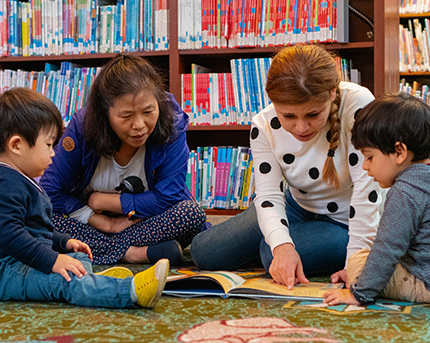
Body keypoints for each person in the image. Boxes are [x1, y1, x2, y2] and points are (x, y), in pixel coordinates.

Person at [191, 44, 385, 289]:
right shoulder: (263, 124)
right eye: (289, 116)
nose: (301, 128)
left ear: (332, 93)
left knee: (269, 252)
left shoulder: (359, 103)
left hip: (346, 219)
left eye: (313, 115)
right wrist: (282, 243)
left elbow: (367, 192)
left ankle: (290, 242)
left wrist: (356, 261)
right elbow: (269, 195)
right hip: (299, 205)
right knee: (205, 252)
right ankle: (289, 237)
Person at [0, 87, 170, 309]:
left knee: (77, 256)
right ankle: (129, 292)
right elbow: (9, 234)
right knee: (68, 280)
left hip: (27, 261)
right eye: (49, 144)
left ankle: (94, 282)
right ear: (17, 145)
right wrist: (53, 260)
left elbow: (36, 228)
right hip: (10, 270)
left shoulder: (21, 179)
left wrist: (63, 242)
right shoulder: (7, 183)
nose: (53, 153)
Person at [40, 54, 207, 266]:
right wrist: (99, 220)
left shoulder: (172, 126)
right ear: (105, 113)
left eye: (148, 111)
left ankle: (101, 249)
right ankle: (134, 254)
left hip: (143, 224)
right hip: (88, 224)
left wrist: (102, 201)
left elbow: (168, 197)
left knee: (190, 215)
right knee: (35, 219)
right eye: (126, 116)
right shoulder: (82, 128)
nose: (139, 125)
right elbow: (49, 193)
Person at [323, 92, 430, 305]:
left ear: (399, 152)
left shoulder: (405, 191)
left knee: (359, 260)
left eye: (369, 157)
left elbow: (387, 247)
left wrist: (358, 292)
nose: (365, 166)